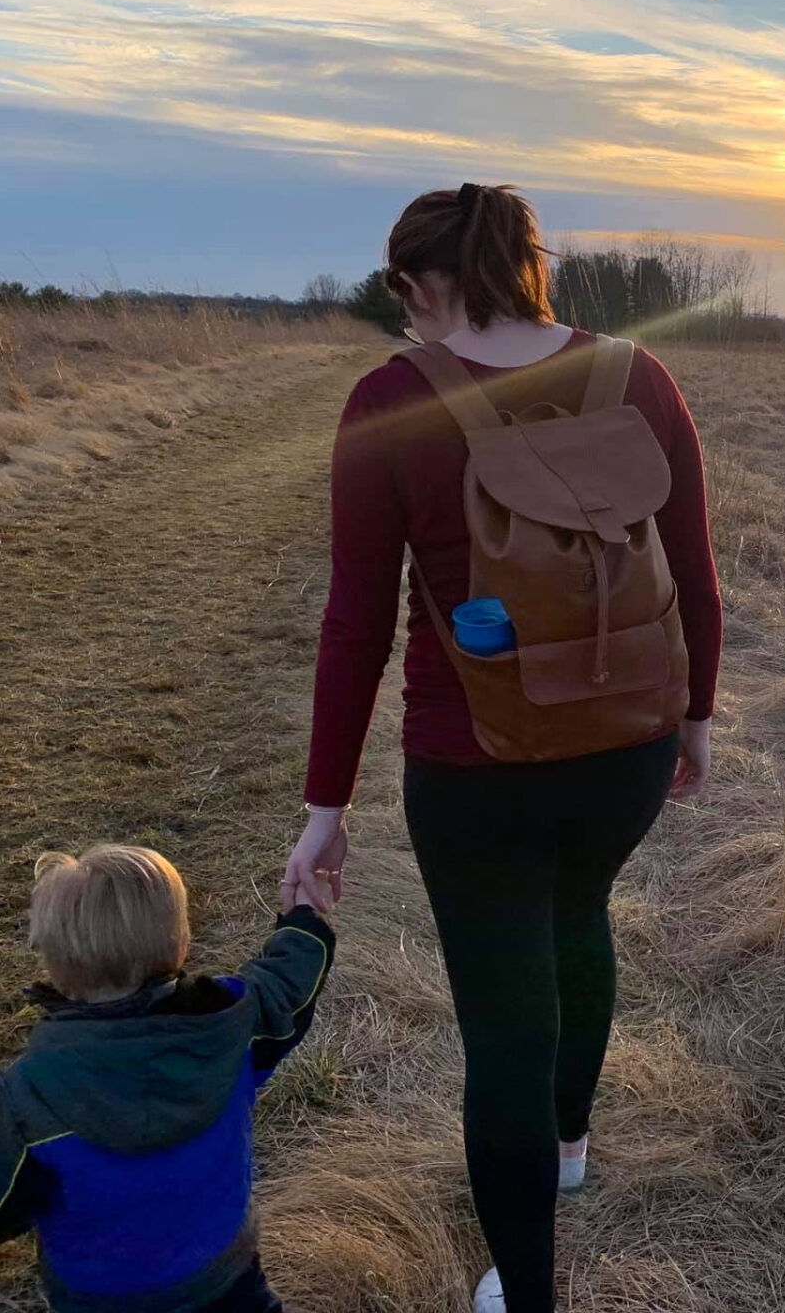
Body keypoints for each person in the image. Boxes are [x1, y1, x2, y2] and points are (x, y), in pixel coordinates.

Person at [284, 182, 722, 1313]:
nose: (406, 315)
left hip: (474, 765)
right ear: (530, 265)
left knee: (502, 1028)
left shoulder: (392, 400)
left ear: (428, 280)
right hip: (625, 741)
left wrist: (324, 808)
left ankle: (526, 1293)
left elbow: (355, 623)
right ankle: (570, 1146)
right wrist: (697, 718)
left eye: (403, 292)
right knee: (578, 918)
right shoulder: (638, 377)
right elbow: (696, 572)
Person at [0, 845, 336, 1313]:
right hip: (231, 1284)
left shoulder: (23, 1101)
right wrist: (304, 916)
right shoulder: (232, 1025)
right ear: (179, 937)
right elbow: (289, 981)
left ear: (54, 961)